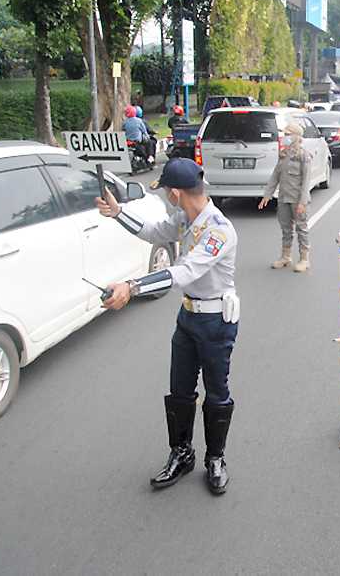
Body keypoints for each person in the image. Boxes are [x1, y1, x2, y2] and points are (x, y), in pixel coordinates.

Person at [95, 158, 241, 495]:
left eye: (165, 192)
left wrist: (131, 287)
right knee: (179, 391)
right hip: (188, 317)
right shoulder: (185, 218)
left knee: (216, 392)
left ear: (175, 193)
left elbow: (185, 271)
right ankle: (182, 452)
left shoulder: (219, 230)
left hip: (216, 321)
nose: (165, 198)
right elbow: (153, 231)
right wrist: (118, 212)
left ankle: (215, 458)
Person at [259, 122, 313, 273]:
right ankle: (286, 256)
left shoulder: (303, 156)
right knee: (286, 228)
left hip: (297, 199)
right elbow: (275, 176)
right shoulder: (284, 155)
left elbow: (306, 181)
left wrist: (302, 202)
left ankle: (304, 259)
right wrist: (267, 195)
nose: (285, 137)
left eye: (288, 134)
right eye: (285, 134)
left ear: (296, 136)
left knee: (301, 228)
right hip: (283, 198)